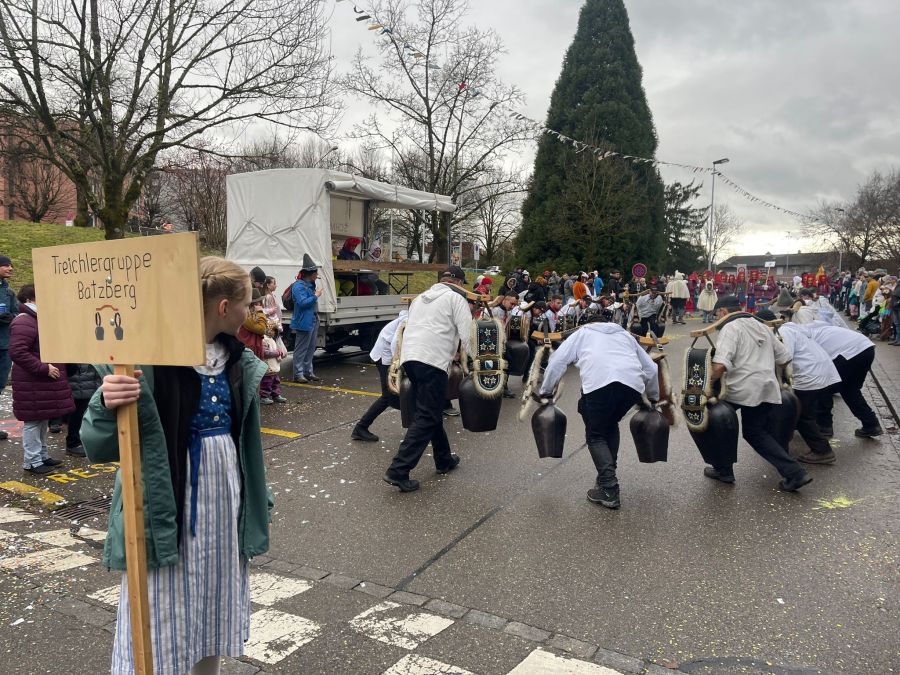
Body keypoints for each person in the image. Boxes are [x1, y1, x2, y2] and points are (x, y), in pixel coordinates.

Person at [83, 256, 271, 675]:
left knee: (213, 605)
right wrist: (105, 401)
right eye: (246, 303)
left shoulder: (237, 361)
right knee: (160, 608)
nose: (251, 311)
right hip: (168, 502)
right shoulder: (148, 360)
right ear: (223, 307)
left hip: (224, 503)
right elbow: (96, 445)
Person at [538, 318, 659, 509]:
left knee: (595, 435)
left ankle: (609, 489)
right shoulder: (625, 335)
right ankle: (606, 478)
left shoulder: (583, 333)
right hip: (631, 387)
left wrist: (545, 391)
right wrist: (653, 397)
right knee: (610, 424)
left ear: (590, 323)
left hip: (599, 385)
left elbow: (557, 361)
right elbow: (652, 369)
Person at [705, 296, 812, 491]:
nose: (716, 320)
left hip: (741, 388)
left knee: (716, 419)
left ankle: (724, 470)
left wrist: (705, 386)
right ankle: (794, 472)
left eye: (716, 315)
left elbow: (719, 366)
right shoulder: (761, 325)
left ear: (722, 312)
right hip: (766, 385)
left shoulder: (730, 328)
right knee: (755, 432)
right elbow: (784, 358)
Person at [384, 266, 473, 492]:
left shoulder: (420, 298)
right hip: (433, 361)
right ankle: (398, 469)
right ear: (459, 282)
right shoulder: (456, 299)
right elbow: (467, 334)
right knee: (427, 416)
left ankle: (444, 459)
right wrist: (476, 362)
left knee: (430, 411)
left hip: (411, 358)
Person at [759, 310, 840, 465]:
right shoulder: (786, 329)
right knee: (804, 412)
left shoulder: (782, 333)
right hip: (817, 370)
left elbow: (785, 357)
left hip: (809, 374)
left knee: (801, 414)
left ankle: (822, 451)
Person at [9, 284, 75, 474]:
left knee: (42, 419)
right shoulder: (25, 321)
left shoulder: (35, 319)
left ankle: (42, 456)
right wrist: (43, 368)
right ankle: (31, 461)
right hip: (33, 380)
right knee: (32, 422)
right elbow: (18, 351)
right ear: (31, 298)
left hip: (40, 381)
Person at [792, 309, 883, 437]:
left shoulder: (802, 335)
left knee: (823, 386)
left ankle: (824, 426)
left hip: (849, 353)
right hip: (866, 348)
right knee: (850, 390)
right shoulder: (819, 328)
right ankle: (871, 424)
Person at [352, 310, 408, 442]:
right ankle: (360, 428)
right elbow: (396, 343)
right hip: (385, 358)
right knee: (388, 397)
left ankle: (415, 426)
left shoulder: (414, 318)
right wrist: (397, 365)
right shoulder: (408, 320)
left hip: (387, 356)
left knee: (397, 396)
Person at [290, 254, 322, 384]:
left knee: (311, 348)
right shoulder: (298, 286)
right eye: (316, 273)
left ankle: (308, 372)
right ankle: (298, 374)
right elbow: (302, 303)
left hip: (313, 319)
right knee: (301, 349)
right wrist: (315, 296)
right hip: (303, 321)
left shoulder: (310, 284)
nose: (317, 275)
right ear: (310, 273)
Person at [65, 363, 101, 457]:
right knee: (77, 415)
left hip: (88, 383)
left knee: (85, 414)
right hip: (79, 384)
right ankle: (73, 443)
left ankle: (81, 442)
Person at [0, 254, 18, 441]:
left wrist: (10, 318)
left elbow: (17, 313)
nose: (10, 268)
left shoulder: (9, 292)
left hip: (4, 345)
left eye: (11, 265)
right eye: (5, 265)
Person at [260, 322, 287, 405]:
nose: (274, 333)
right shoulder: (264, 340)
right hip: (268, 366)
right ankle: (263, 396)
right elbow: (265, 353)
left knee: (275, 381)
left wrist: (279, 354)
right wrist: (277, 353)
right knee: (266, 383)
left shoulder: (272, 340)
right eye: (273, 331)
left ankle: (276, 394)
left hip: (274, 366)